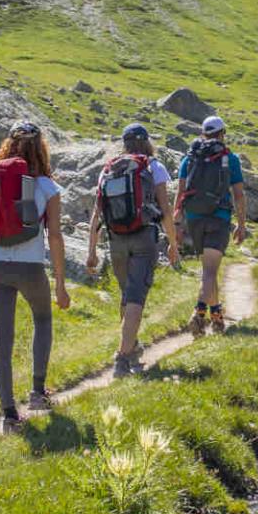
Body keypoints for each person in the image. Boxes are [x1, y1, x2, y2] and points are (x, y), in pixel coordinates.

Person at [0, 122, 70, 431]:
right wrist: (60, 284)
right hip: (31, 267)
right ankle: (38, 393)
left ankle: (9, 415)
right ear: (41, 149)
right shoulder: (47, 188)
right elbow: (54, 236)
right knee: (42, 319)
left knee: (3, 338)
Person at [86, 124, 180, 376]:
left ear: (124, 143)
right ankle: (122, 357)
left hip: (115, 238)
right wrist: (173, 242)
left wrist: (91, 250)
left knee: (127, 295)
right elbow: (165, 209)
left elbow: (97, 213)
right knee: (136, 296)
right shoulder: (152, 166)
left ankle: (132, 345)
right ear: (147, 142)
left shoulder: (109, 169)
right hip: (144, 238)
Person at [175, 115, 247, 335]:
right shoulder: (230, 159)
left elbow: (180, 193)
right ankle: (198, 315)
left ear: (203, 134)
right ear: (222, 134)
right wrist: (241, 224)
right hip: (219, 218)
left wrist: (177, 223)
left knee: (209, 271)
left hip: (194, 218)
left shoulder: (190, 159)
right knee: (209, 271)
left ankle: (216, 316)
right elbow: (239, 195)